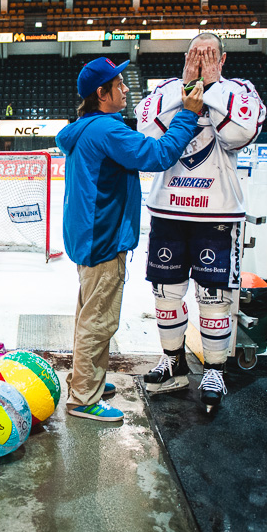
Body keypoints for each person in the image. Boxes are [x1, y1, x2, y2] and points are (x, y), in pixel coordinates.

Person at [57, 57, 204, 423]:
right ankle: (83, 399)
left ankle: (86, 378)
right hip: (103, 238)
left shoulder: (87, 128)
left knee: (89, 313)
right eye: (118, 84)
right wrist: (187, 113)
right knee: (99, 320)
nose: (125, 89)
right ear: (100, 93)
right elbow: (157, 155)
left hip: (89, 236)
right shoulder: (107, 130)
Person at [135, 32, 266, 411]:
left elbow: (241, 134)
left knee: (214, 297)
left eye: (209, 55)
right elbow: (147, 133)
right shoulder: (167, 89)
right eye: (195, 53)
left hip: (218, 214)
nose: (202, 58)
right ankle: (173, 361)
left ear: (222, 60)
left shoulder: (240, 90)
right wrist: (187, 86)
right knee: (165, 293)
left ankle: (215, 370)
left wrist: (209, 87)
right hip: (168, 209)